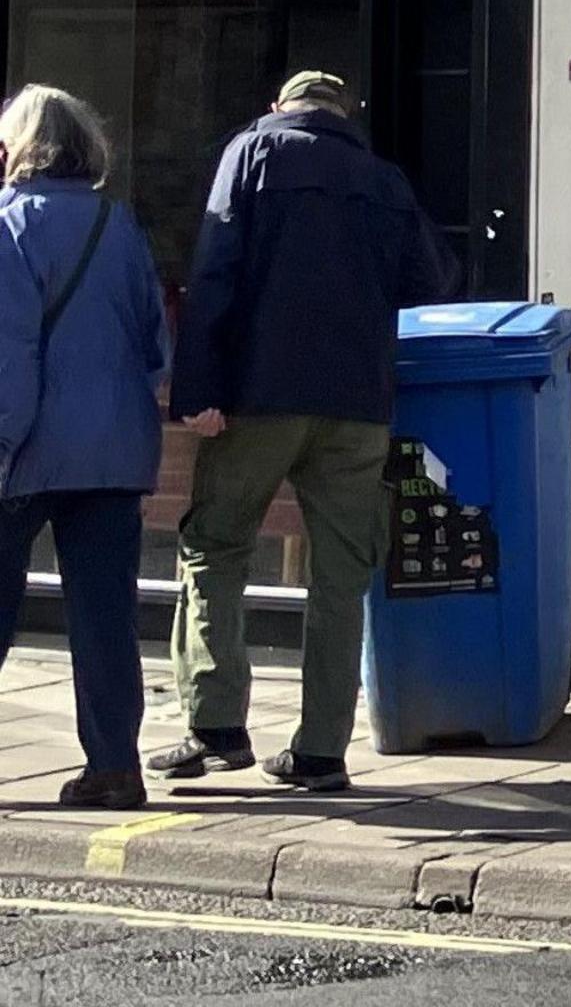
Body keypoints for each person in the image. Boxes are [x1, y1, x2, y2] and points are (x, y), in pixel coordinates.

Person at [152, 71, 453, 796]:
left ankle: (216, 724)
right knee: (341, 575)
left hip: (261, 396)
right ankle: (321, 750)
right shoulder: (384, 180)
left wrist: (198, 392)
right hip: (357, 405)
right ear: (344, 116)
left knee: (214, 545)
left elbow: (216, 271)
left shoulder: (253, 155)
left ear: (279, 109)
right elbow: (432, 280)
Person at [0, 87, 168, 809]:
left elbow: (11, 355)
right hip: (113, 449)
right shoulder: (117, 224)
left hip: (27, 449)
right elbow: (155, 343)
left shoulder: (9, 227)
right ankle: (115, 766)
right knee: (105, 619)